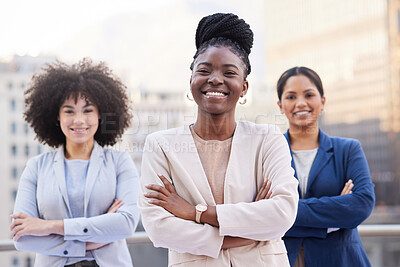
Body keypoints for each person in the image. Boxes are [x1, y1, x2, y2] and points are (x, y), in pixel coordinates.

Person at [138, 13, 299, 267]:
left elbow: (282, 213)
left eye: (229, 72)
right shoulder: (161, 145)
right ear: (191, 80)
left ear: (244, 87)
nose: (215, 79)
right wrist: (246, 230)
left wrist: (195, 214)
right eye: (204, 70)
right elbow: (159, 228)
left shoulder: (268, 140)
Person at [10, 59, 140, 267]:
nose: (79, 120)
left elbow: (125, 224)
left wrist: (49, 226)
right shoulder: (36, 167)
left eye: (88, 110)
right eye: (69, 111)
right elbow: (22, 236)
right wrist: (94, 239)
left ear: (100, 115)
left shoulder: (120, 163)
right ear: (57, 117)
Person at [276, 66, 375, 267]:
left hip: (340, 261)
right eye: (291, 97)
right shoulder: (268, 152)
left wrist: (282, 210)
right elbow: (258, 213)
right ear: (280, 105)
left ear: (322, 101)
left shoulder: (348, 150)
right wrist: (332, 220)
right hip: (283, 260)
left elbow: (362, 204)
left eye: (309, 95)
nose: (301, 103)